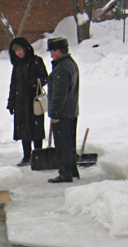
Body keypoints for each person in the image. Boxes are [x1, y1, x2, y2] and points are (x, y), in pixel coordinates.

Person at [7, 37, 48, 167]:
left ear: (26, 49)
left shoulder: (36, 61)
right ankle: (27, 156)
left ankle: (38, 154)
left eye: (20, 50)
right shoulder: (17, 65)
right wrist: (11, 101)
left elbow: (45, 78)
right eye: (16, 51)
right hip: (20, 102)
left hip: (34, 101)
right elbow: (13, 85)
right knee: (23, 128)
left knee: (36, 129)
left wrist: (34, 83)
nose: (18, 53)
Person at [46, 37, 80, 183]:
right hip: (71, 111)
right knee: (70, 143)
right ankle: (72, 170)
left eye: (52, 52)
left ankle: (66, 173)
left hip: (63, 113)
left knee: (63, 144)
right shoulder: (71, 64)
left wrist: (54, 114)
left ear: (58, 51)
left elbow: (59, 95)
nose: (51, 55)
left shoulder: (61, 68)